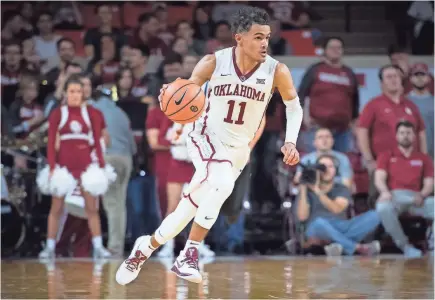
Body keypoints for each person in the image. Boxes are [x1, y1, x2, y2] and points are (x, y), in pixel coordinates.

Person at [116, 6, 302, 284]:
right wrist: (174, 102)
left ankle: (145, 248)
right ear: (239, 38)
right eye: (257, 37)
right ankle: (189, 254)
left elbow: (294, 107)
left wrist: (290, 142)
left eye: (267, 37)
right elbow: (187, 96)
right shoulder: (213, 62)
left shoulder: (278, 71)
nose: (265, 43)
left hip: (237, 148)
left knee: (188, 208)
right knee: (223, 183)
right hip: (204, 135)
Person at [37, 75, 113, 259]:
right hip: (64, 168)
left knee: (92, 209)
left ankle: (98, 246)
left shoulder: (90, 114)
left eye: (79, 92)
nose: (75, 95)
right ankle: (49, 247)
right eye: (72, 91)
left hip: (86, 167)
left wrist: (101, 166)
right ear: (65, 93)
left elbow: (96, 140)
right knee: (56, 209)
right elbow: (51, 143)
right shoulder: (58, 114)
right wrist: (53, 166)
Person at [296, 154, 381, 256]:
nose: (326, 169)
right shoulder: (306, 190)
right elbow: (302, 217)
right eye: (322, 166)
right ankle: (357, 247)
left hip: (342, 226)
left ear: (335, 170)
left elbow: (336, 209)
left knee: (376, 215)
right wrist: (304, 189)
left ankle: (337, 245)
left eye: (330, 166)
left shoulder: (341, 188)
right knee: (319, 222)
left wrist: (317, 190)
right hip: (317, 228)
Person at [375, 120, 434, 258]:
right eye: (402, 133)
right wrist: (384, 192)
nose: (405, 136)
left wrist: (423, 194)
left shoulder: (424, 158)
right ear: (396, 136)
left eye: (408, 133)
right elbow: (379, 178)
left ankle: (433, 244)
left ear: (414, 136)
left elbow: (429, 183)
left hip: (416, 197)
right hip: (394, 196)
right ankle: (405, 246)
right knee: (383, 208)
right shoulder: (386, 155)